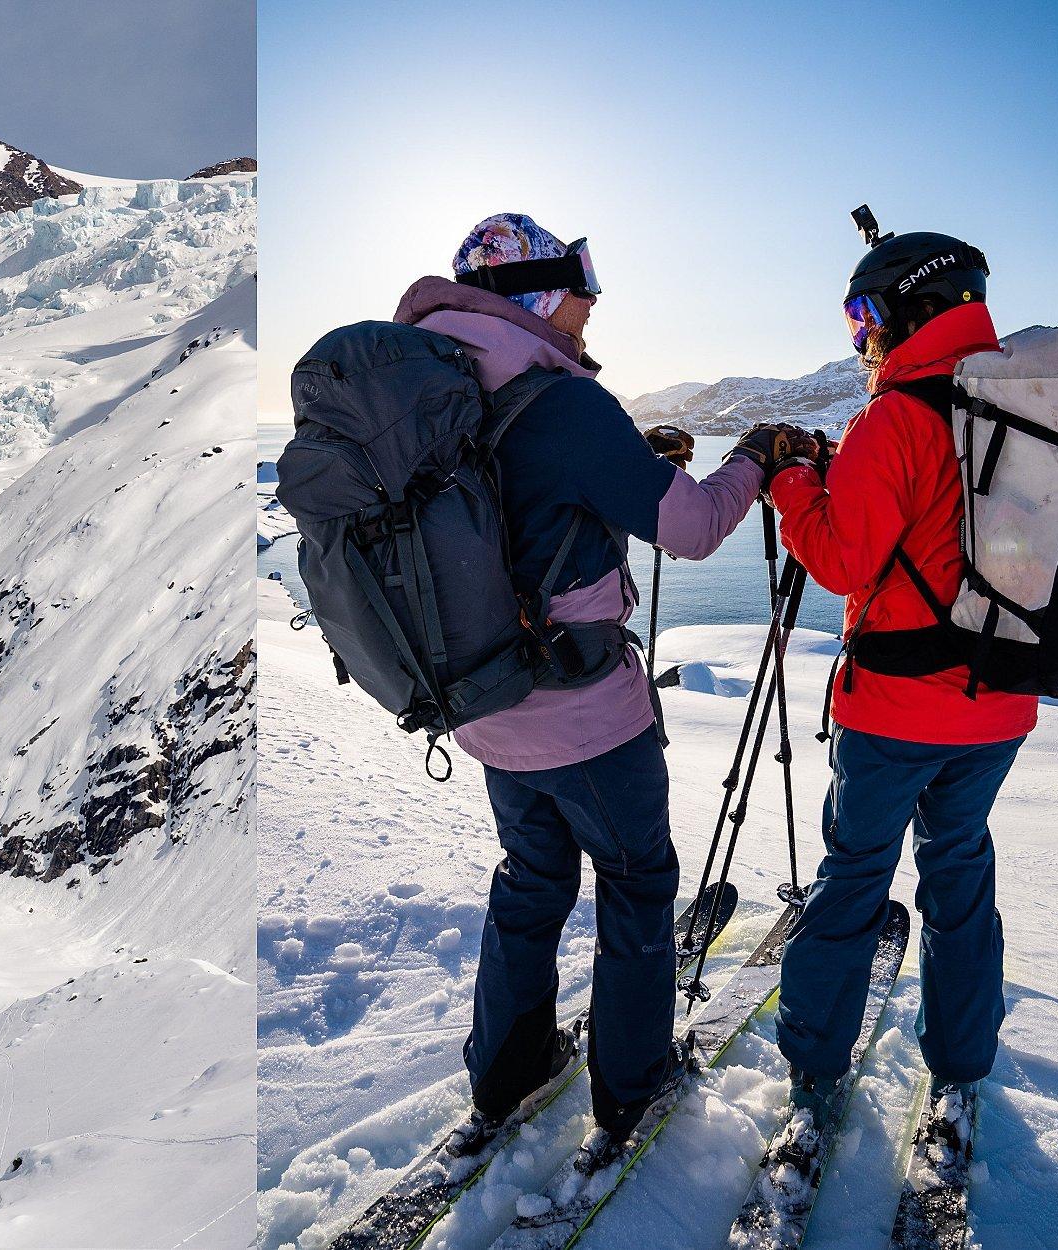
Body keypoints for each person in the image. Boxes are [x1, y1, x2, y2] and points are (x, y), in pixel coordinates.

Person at [394, 213, 801, 1141]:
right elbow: (693, 528)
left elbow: (506, 501)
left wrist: (627, 467)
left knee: (532, 881)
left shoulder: (436, 389)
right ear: (537, 294)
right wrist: (753, 461)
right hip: (586, 717)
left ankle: (504, 1077)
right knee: (634, 881)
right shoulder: (565, 402)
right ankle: (630, 1087)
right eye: (582, 283)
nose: (593, 303)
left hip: (487, 708)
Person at [768, 226, 1035, 1121]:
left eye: (865, 314)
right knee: (960, 873)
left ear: (912, 305)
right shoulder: (1025, 409)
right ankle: (961, 1068)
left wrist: (795, 485)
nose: (860, 337)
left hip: (893, 714)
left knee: (854, 879)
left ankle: (813, 1069)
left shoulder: (894, 414)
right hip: (998, 704)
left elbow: (845, 560)